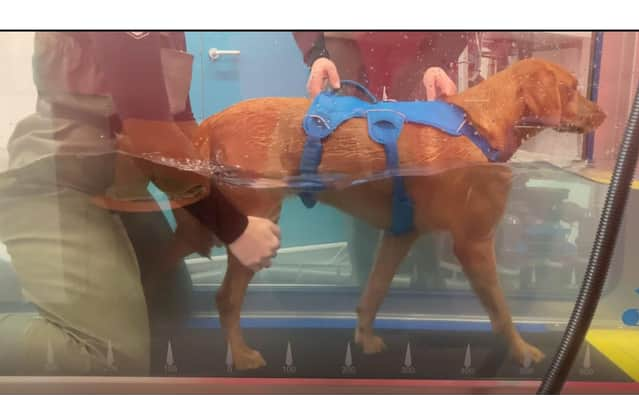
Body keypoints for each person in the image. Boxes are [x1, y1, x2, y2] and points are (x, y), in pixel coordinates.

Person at [0, 31, 280, 375]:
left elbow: (179, 124)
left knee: (168, 303)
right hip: (53, 184)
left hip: (115, 187)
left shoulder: (169, 28)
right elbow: (150, 134)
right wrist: (235, 227)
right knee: (108, 358)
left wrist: (213, 203)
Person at [294, 31, 475, 288]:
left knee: (422, 185)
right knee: (361, 183)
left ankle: (429, 282)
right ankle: (364, 291)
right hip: (347, 54)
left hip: (419, 56)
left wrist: (437, 59)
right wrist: (318, 54)